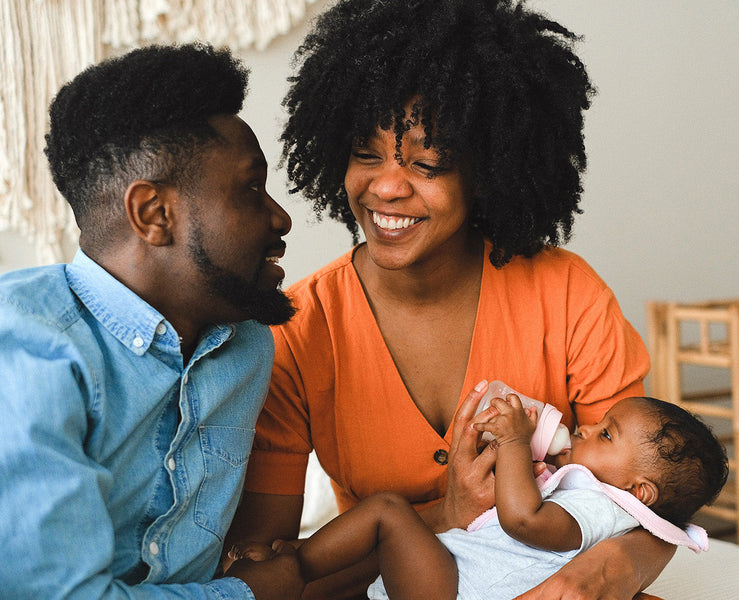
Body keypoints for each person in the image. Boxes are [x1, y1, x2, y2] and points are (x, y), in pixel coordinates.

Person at [228, 0, 674, 598]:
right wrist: (446, 515)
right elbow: (268, 579)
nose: (386, 185)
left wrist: (601, 576)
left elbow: (652, 490)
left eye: (427, 161)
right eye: (366, 153)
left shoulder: (568, 294)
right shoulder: (300, 331)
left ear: (486, 169)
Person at [0, 43, 304, 599]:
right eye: (250, 188)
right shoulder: (19, 347)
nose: (280, 216)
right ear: (153, 214)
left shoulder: (245, 347)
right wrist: (245, 595)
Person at [228, 394, 729, 600]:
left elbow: (524, 522)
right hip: (459, 582)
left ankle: (295, 565)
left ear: (637, 491)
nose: (586, 426)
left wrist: (513, 442)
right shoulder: (596, 497)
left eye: (605, 435)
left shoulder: (601, 508)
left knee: (386, 510)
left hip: (455, 591)